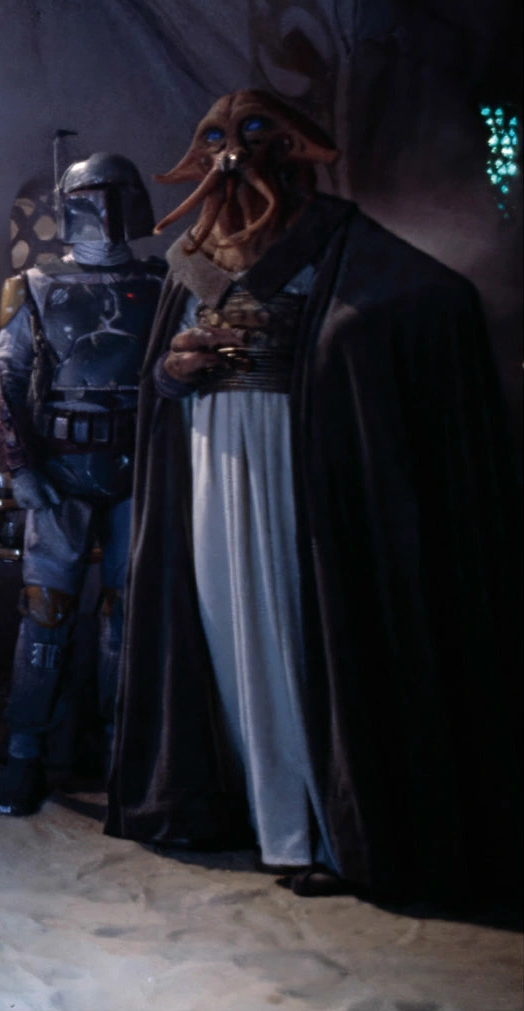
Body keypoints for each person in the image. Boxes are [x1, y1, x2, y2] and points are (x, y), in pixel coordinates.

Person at [109, 89, 521, 903]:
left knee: (297, 633)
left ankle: (325, 829)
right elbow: (158, 373)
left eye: (253, 133)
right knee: (225, 636)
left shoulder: (338, 241)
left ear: (293, 149)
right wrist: (175, 368)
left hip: (297, 457)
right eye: (216, 137)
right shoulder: (189, 256)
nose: (232, 154)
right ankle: (261, 816)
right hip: (206, 456)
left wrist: (326, 356)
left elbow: (429, 301)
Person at [0, 153, 165, 816]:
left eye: (116, 196)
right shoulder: (35, 285)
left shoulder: (163, 283)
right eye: (95, 197)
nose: (105, 212)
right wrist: (22, 468)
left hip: (139, 471)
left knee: (127, 616)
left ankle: (122, 763)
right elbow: (0, 381)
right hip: (60, 470)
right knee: (45, 613)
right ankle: (24, 756)